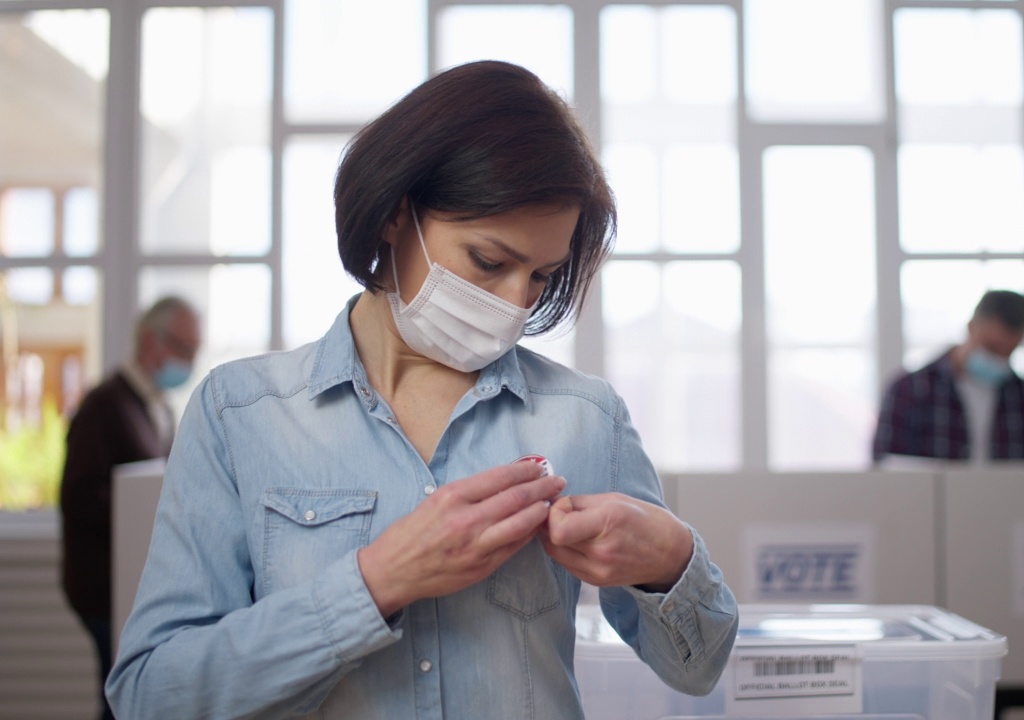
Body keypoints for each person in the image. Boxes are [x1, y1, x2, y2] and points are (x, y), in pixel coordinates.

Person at [106, 61, 739, 720]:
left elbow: (699, 670)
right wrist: (377, 582)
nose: (516, 303)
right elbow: (151, 695)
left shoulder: (585, 421)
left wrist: (671, 558)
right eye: (489, 262)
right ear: (395, 215)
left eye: (542, 276)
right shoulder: (240, 416)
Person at [59, 295, 201, 720]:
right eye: (182, 349)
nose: (188, 361)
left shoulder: (156, 407)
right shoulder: (105, 405)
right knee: (122, 696)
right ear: (149, 340)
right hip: (105, 588)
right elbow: (80, 497)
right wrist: (141, 517)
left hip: (138, 587)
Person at [872, 289, 1024, 463]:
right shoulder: (909, 391)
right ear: (971, 327)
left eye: (1008, 351)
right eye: (992, 347)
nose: (998, 358)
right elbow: (887, 472)